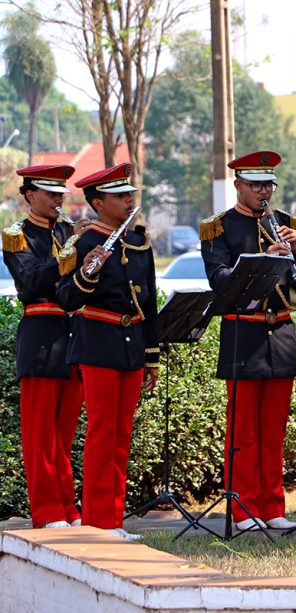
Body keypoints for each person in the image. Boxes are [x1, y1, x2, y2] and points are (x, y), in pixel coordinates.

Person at [198, 151, 296, 531]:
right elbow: (219, 278)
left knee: (274, 428)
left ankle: (272, 505)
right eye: (257, 185)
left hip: (279, 331)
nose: (265, 192)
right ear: (239, 186)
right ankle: (243, 508)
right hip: (241, 331)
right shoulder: (218, 227)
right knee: (243, 428)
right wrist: (265, 258)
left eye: (269, 185)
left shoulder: (286, 223)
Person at [56, 163, 158, 540]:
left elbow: (147, 303)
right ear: (98, 203)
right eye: (119, 196)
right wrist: (87, 273)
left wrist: (151, 356)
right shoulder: (81, 243)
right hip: (97, 342)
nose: (128, 200)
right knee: (102, 433)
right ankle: (98, 520)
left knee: (121, 434)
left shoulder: (139, 242)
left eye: (129, 194)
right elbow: (66, 299)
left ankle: (113, 519)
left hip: (130, 345)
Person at [2, 164, 86, 529]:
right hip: (40, 336)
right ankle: (48, 512)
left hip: (74, 337)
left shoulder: (70, 231)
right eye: (50, 195)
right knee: (41, 438)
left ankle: (69, 509)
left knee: (66, 436)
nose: (57, 201)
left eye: (60, 195)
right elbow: (34, 278)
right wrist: (71, 251)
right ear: (29, 195)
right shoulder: (16, 235)